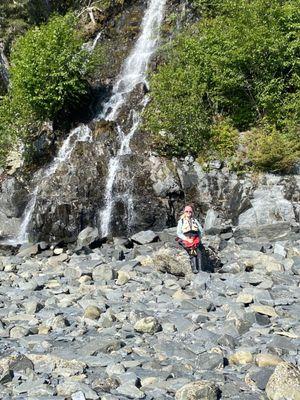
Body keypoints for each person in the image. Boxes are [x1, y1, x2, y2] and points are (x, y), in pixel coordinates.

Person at [176, 205, 204, 274]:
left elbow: (201, 230)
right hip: (186, 238)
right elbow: (179, 233)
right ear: (184, 212)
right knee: (191, 249)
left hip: (195, 237)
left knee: (198, 250)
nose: (189, 212)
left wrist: (199, 238)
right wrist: (187, 239)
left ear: (192, 212)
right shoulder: (181, 221)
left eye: (190, 211)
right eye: (187, 211)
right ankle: (194, 268)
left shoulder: (195, 220)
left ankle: (200, 269)